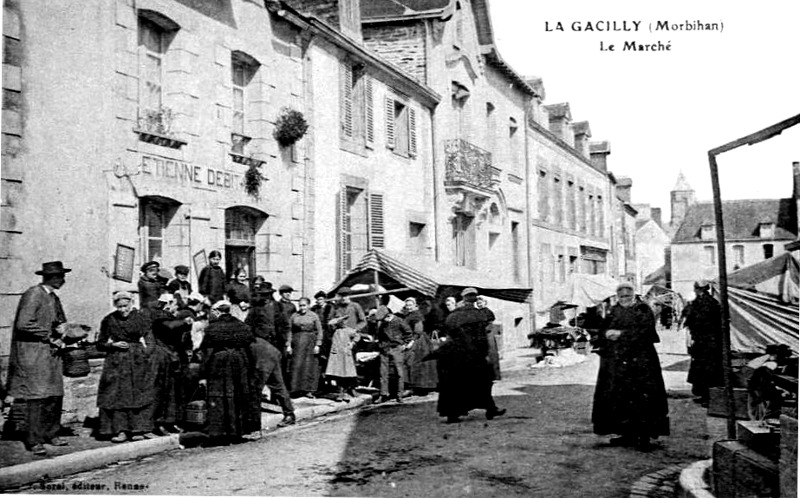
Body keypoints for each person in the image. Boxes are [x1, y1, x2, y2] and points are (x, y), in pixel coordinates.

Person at [591, 282, 669, 451]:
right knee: (621, 397)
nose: (624, 299)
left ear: (633, 295)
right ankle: (626, 434)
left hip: (641, 362)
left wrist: (621, 334)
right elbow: (604, 328)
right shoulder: (614, 310)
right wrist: (605, 335)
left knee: (643, 398)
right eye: (621, 296)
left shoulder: (642, 309)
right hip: (619, 362)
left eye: (627, 296)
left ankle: (644, 437)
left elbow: (646, 332)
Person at [7, 261, 72, 455]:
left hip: (51, 354)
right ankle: (33, 439)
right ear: (51, 278)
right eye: (60, 276)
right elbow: (23, 324)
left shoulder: (53, 297)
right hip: (34, 354)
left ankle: (51, 433)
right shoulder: (34, 294)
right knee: (37, 397)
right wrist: (50, 335)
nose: (63, 280)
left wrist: (62, 327)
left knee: (54, 394)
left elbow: (57, 320)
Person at [96, 291, 158, 443]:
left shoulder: (141, 318)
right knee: (118, 395)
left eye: (125, 306)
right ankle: (121, 430)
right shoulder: (109, 320)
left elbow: (150, 341)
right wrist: (113, 345)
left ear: (131, 303)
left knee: (139, 393)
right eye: (119, 307)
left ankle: (140, 429)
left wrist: (144, 354)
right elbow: (100, 344)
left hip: (137, 359)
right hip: (116, 361)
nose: (123, 310)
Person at [437, 288, 505, 424]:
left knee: (454, 383)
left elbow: (448, 332)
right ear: (473, 299)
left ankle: (452, 414)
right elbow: (481, 338)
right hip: (473, 355)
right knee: (482, 382)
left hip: (454, 354)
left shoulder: (452, 316)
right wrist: (484, 353)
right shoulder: (478, 315)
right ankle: (490, 409)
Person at [199, 300, 261, 443]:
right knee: (238, 395)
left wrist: (203, 374)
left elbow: (207, 352)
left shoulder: (212, 328)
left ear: (217, 312)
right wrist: (252, 368)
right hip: (239, 362)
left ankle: (221, 433)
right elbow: (251, 349)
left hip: (219, 363)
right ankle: (238, 431)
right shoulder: (242, 326)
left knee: (220, 396)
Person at [246, 286, 296, 427]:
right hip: (262, 348)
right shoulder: (255, 309)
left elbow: (286, 326)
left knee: (259, 385)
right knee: (277, 383)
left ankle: (253, 421)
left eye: (266, 295)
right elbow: (248, 327)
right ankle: (289, 414)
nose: (264, 297)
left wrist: (285, 343)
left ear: (270, 295)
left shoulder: (279, 307)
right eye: (262, 295)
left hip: (274, 349)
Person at [683, 280, 723, 405]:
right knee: (704, 370)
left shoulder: (704, 303)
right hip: (707, 341)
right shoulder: (709, 302)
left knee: (707, 370)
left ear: (699, 289)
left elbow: (698, 320)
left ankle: (709, 397)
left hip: (707, 342)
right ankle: (705, 395)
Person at [374, 306, 414, 403]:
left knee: (399, 373)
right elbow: (379, 335)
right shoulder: (382, 324)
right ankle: (383, 394)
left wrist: (404, 345)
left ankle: (399, 395)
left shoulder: (399, 321)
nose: (384, 321)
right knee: (383, 373)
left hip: (396, 348)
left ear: (389, 315)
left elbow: (409, 333)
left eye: (385, 318)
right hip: (384, 349)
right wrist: (380, 345)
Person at [401, 297, 438, 394]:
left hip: (418, 341)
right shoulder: (409, 315)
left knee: (414, 362)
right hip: (413, 339)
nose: (409, 307)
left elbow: (418, 330)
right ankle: (417, 386)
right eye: (407, 305)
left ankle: (415, 387)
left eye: (410, 305)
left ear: (415, 306)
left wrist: (411, 342)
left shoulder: (416, 315)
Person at [287, 297, 323, 398]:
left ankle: (308, 391)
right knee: (297, 366)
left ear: (308, 305)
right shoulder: (294, 315)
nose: (302, 308)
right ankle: (295, 389)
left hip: (310, 343)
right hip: (297, 343)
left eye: (304, 305)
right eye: (300, 305)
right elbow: (289, 330)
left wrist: (318, 345)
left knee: (309, 366)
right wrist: (288, 345)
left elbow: (319, 331)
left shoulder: (314, 315)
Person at [324, 317, 360, 402]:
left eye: (344, 321)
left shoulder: (349, 330)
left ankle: (345, 392)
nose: (343, 323)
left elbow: (357, 336)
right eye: (341, 322)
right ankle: (340, 392)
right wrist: (336, 321)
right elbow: (330, 323)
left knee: (346, 375)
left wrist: (352, 343)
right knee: (338, 375)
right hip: (336, 355)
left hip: (345, 355)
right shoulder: (335, 330)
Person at [311, 290, 334, 393]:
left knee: (327, 360)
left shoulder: (330, 308)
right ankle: (319, 384)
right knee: (318, 360)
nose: (319, 301)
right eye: (317, 299)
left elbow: (331, 321)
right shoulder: (314, 309)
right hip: (317, 335)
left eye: (321, 299)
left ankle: (328, 383)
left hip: (328, 336)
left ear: (325, 299)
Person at [476, 295, 501, 382]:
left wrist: (484, 330)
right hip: (481, 335)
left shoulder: (488, 312)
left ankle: (495, 376)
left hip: (488, 335)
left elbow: (490, 324)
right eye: (478, 303)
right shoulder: (477, 312)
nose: (479, 304)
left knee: (492, 355)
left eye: (481, 303)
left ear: (485, 303)